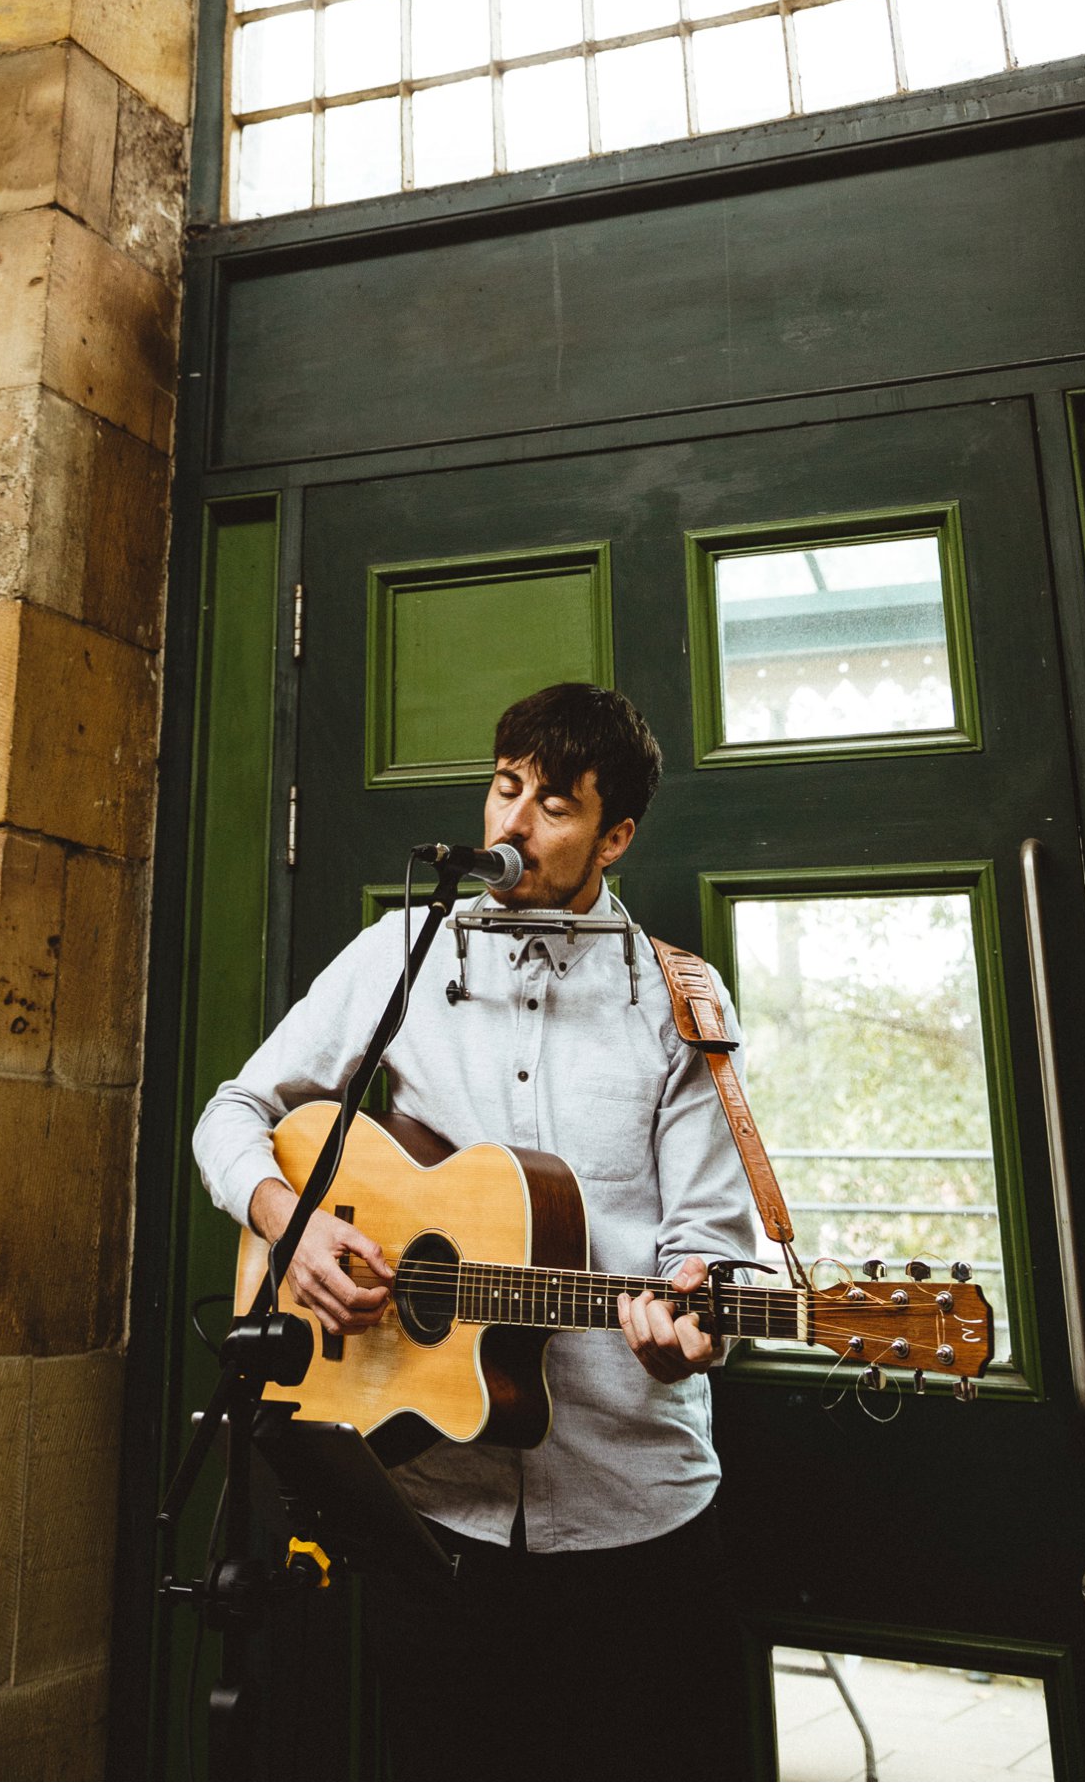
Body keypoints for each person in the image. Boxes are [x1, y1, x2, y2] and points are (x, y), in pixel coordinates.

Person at [193, 683, 761, 1782]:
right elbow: (234, 1112)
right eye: (505, 787)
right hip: (431, 1510)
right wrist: (288, 1227)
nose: (510, 823)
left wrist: (697, 1316)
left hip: (631, 1519)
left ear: (616, 834)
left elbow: (713, 1242)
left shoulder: (677, 999)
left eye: (553, 804)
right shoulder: (399, 951)